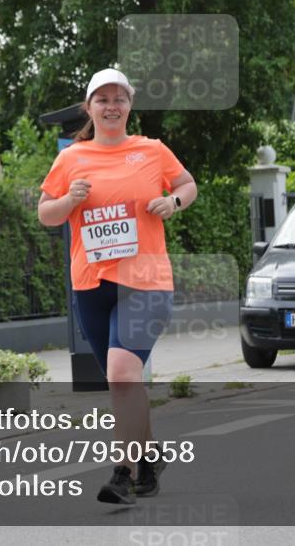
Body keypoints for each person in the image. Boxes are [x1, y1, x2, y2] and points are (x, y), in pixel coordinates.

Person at [38, 69, 197, 503]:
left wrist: (174, 201)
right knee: (123, 382)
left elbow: (187, 183)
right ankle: (148, 458)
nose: (111, 106)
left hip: (146, 281)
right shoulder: (71, 158)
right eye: (102, 99)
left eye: (119, 99)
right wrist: (69, 200)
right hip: (90, 283)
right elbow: (46, 214)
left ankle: (122, 472)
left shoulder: (151, 150)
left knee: (122, 373)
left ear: (130, 106)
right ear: (89, 108)